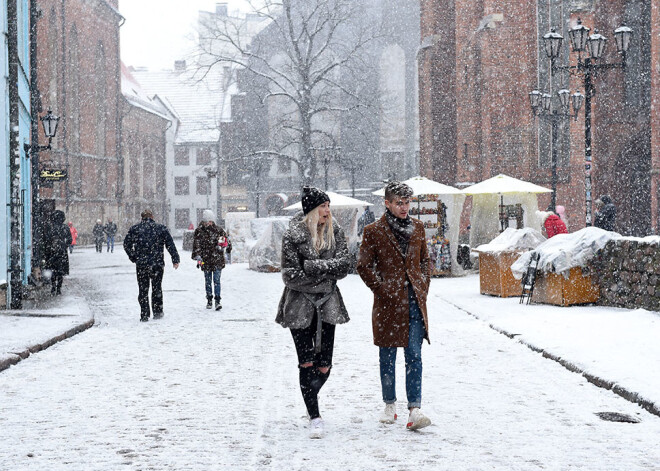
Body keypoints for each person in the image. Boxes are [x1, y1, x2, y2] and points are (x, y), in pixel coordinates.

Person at [276, 186, 352, 439]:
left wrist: (312, 266)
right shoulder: (293, 235)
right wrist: (323, 276)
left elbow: (344, 266)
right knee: (306, 362)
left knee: (324, 366)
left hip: (328, 305)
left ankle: (309, 396)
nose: (327, 211)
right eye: (323, 207)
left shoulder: (336, 232)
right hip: (298, 306)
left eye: (328, 206)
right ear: (311, 210)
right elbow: (290, 275)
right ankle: (315, 415)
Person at [356, 181, 432, 431]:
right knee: (387, 356)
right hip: (388, 304)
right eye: (399, 202)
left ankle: (415, 408)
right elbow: (364, 266)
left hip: (413, 302)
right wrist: (381, 289)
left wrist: (422, 285)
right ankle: (389, 403)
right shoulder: (374, 230)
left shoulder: (418, 227)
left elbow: (424, 261)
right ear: (387, 203)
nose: (404, 207)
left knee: (414, 356)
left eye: (407, 202)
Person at [123, 209, 180, 322]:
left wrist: (133, 256)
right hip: (157, 263)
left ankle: (144, 313)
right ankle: (157, 311)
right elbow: (170, 244)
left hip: (142, 264)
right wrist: (175, 259)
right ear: (152, 217)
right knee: (157, 287)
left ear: (141, 218)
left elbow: (126, 244)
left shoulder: (135, 229)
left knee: (143, 289)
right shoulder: (161, 228)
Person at [191, 210, 232, 310]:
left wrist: (222, 248)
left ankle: (217, 300)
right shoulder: (199, 231)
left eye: (209, 221)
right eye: (206, 221)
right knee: (208, 281)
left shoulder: (218, 231)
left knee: (216, 280)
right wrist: (198, 256)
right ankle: (209, 299)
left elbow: (225, 242)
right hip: (206, 260)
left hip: (216, 259)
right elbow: (197, 245)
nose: (207, 223)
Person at [44, 210, 73, 295]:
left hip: (51, 253)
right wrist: (64, 245)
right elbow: (70, 240)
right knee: (60, 271)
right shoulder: (65, 227)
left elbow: (46, 240)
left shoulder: (50, 227)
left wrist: (49, 248)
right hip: (61, 253)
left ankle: (53, 286)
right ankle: (58, 288)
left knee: (53, 270)